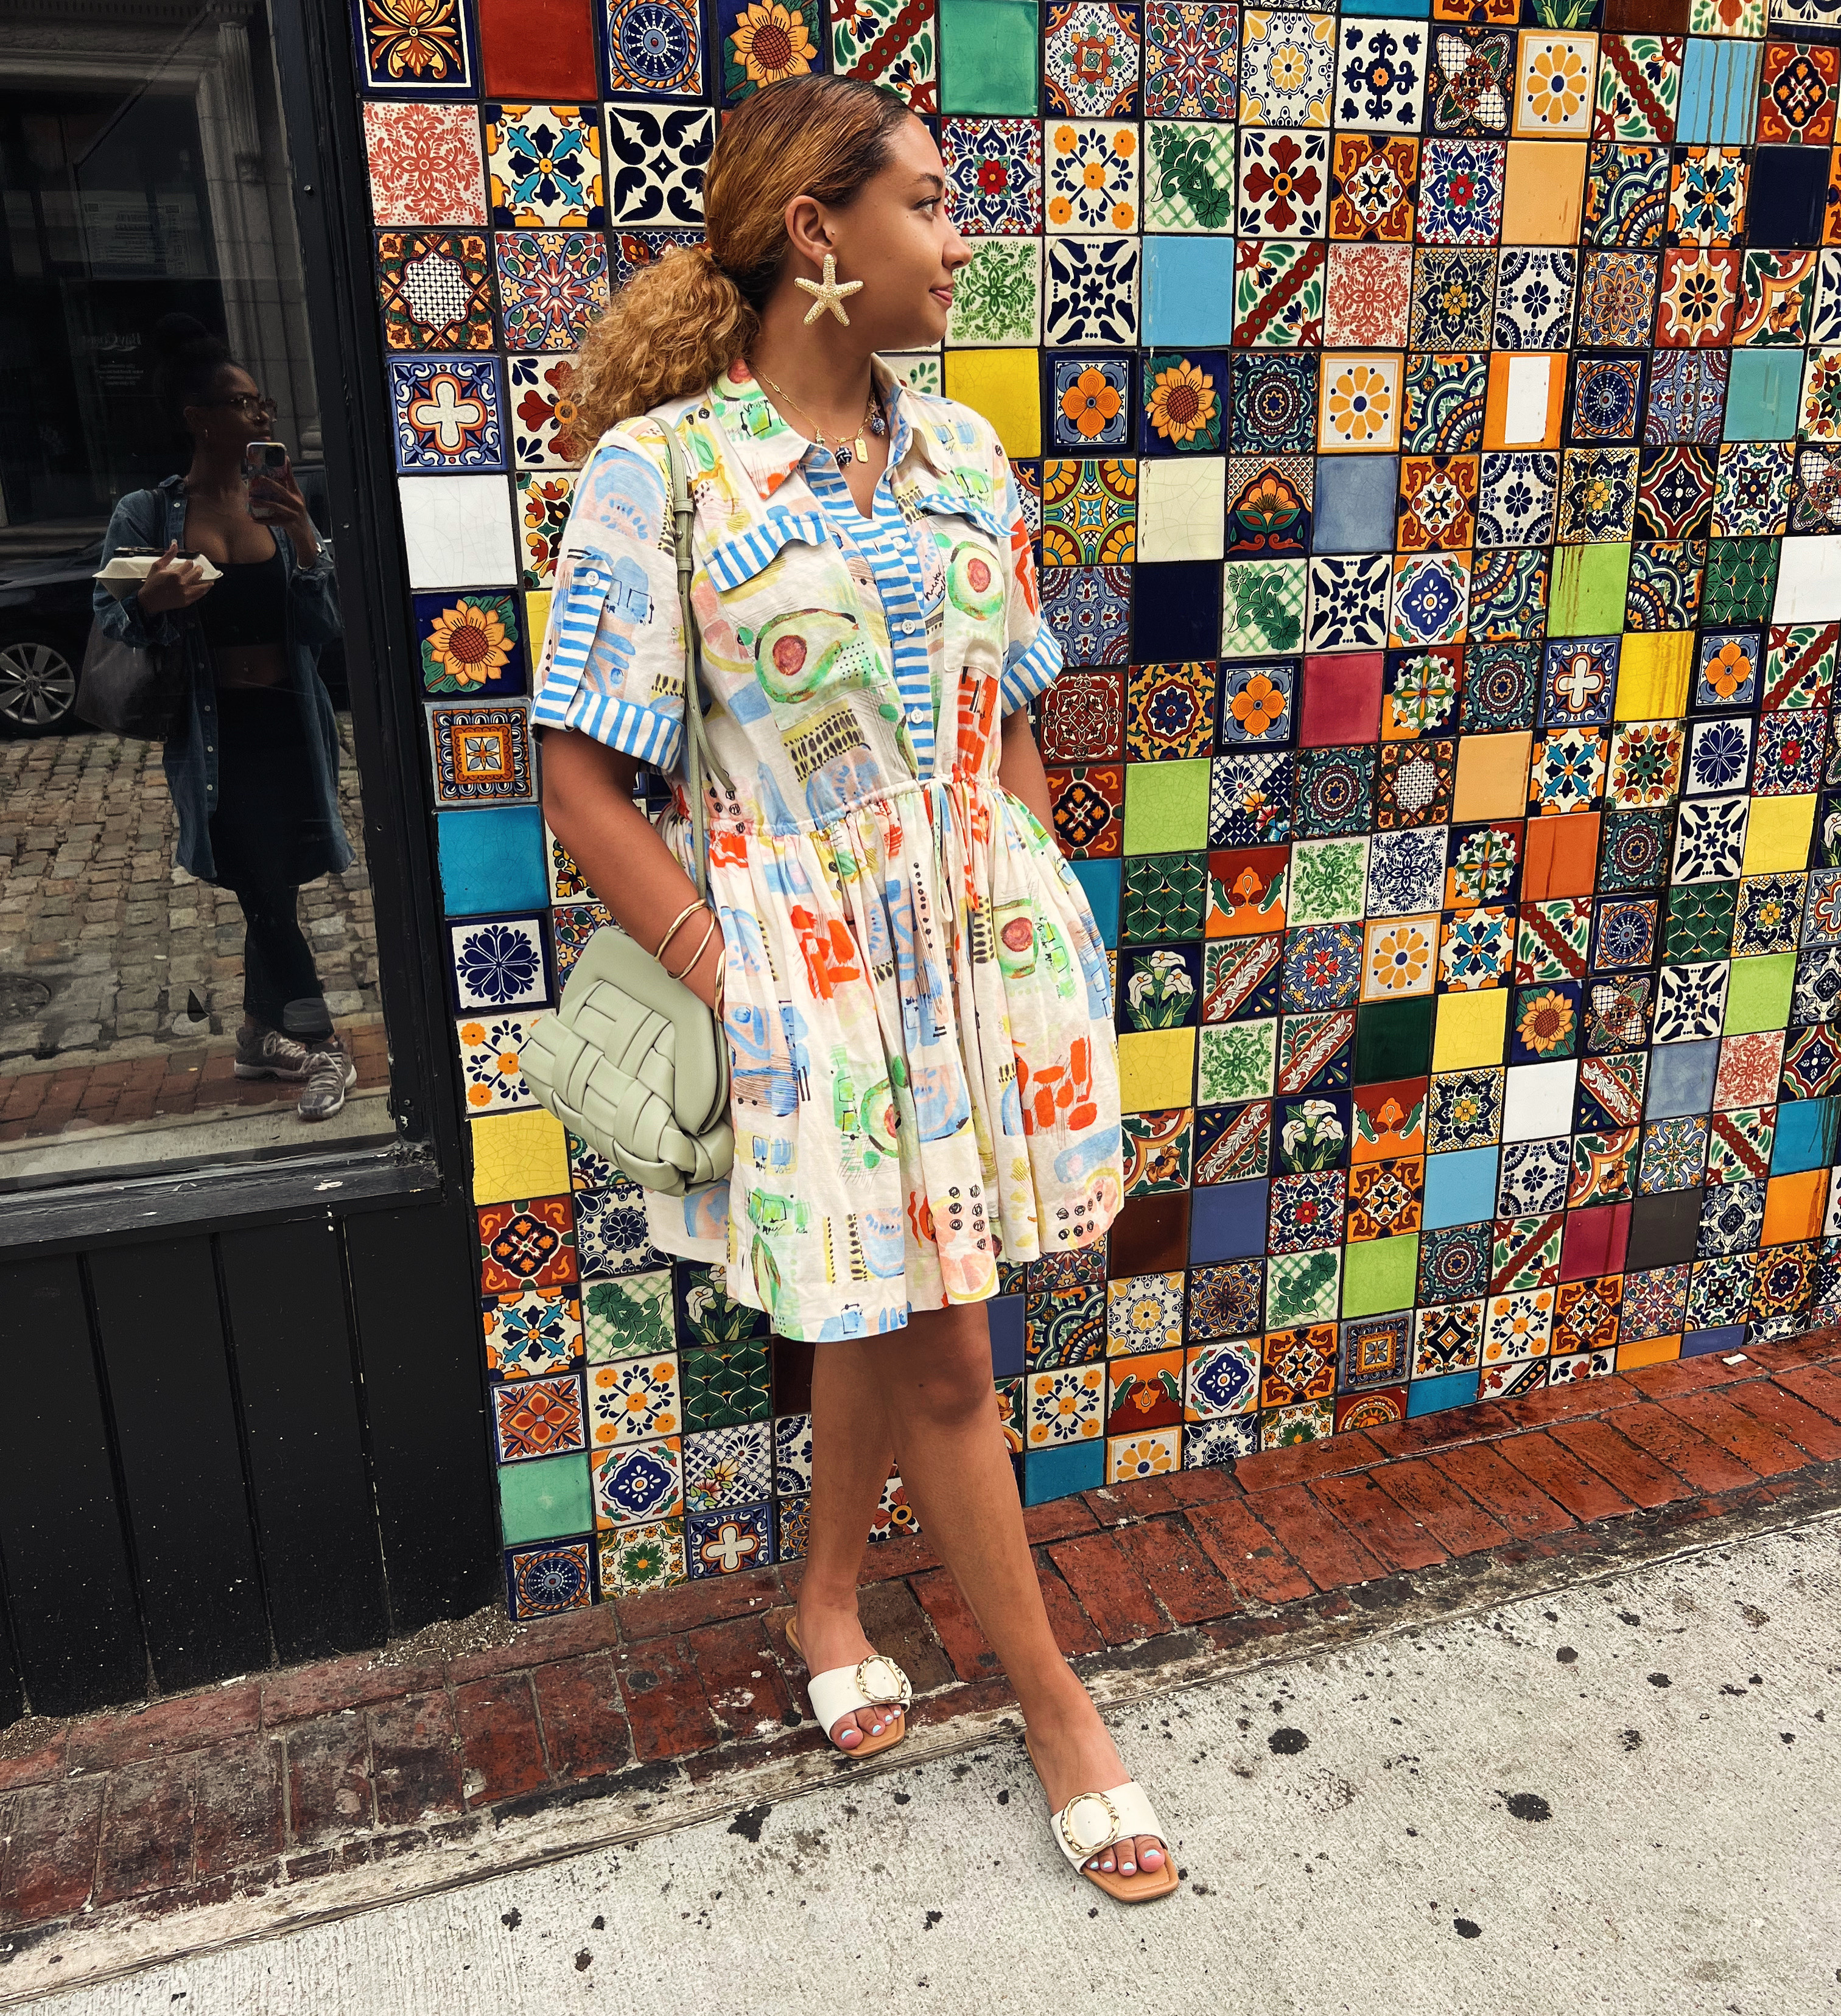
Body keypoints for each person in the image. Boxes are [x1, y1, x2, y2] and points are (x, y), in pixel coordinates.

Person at [537, 77, 1174, 1904]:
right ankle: (1056, 1707)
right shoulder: (664, 473)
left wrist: (1041, 889)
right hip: (801, 971)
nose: (961, 241)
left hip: (985, 959)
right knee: (952, 1343)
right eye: (931, 202)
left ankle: (828, 1597)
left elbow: (1017, 708)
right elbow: (580, 775)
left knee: (891, 1298)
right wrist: (729, 966)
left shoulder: (968, 454)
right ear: (817, 230)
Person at [93, 315, 356, 1121]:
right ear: (199, 418)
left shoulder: (280, 504)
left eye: (263, 402)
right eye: (244, 404)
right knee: (262, 886)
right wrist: (152, 602)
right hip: (217, 738)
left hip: (293, 727)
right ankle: (322, 1045)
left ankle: (255, 1037)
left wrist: (304, 538)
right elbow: (112, 625)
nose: (262, 415)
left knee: (271, 882)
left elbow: (323, 629)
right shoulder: (148, 513)